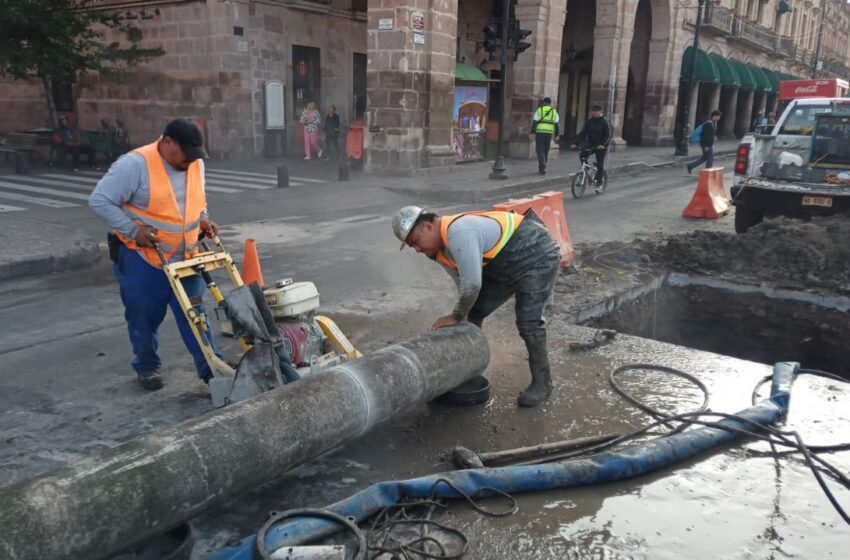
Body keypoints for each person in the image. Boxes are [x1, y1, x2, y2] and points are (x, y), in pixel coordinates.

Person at [88, 118, 222, 391]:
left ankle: (215, 372)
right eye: (187, 154)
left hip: (186, 258)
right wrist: (132, 230)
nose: (191, 161)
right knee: (143, 317)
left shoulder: (195, 163)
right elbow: (100, 200)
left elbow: (197, 199)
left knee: (196, 317)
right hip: (143, 259)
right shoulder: (135, 165)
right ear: (168, 142)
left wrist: (203, 219)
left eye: (195, 156)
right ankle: (147, 366)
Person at [392, 205, 561, 407]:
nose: (417, 249)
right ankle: (469, 368)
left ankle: (543, 383)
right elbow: (463, 282)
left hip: (537, 253)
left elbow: (472, 285)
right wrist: (463, 314)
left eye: (415, 242)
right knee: (472, 311)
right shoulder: (438, 250)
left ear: (427, 226)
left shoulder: (459, 232)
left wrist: (456, 315)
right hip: (505, 262)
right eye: (412, 247)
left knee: (529, 322)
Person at [571, 105, 611, 190]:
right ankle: (587, 169)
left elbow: (609, 135)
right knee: (582, 154)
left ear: (600, 112)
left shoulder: (605, 122)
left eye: (596, 111)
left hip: (601, 146)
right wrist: (575, 143)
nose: (594, 113)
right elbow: (583, 133)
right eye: (593, 111)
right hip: (591, 144)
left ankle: (599, 182)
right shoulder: (590, 121)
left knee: (600, 164)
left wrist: (603, 144)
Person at [529, 97, 560, 175]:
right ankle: (542, 168)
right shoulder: (554, 112)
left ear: (544, 102)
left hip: (540, 132)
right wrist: (557, 135)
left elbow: (535, 122)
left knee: (540, 150)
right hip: (549, 133)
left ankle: (542, 165)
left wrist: (532, 132)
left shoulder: (539, 110)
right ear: (550, 103)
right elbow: (556, 124)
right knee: (546, 150)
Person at [687, 110, 722, 174]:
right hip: (706, 144)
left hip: (706, 144)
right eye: (719, 116)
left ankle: (690, 166)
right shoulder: (709, 124)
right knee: (710, 158)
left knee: (705, 157)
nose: (719, 118)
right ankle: (708, 173)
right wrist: (707, 146)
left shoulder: (712, 123)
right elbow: (706, 136)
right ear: (715, 116)